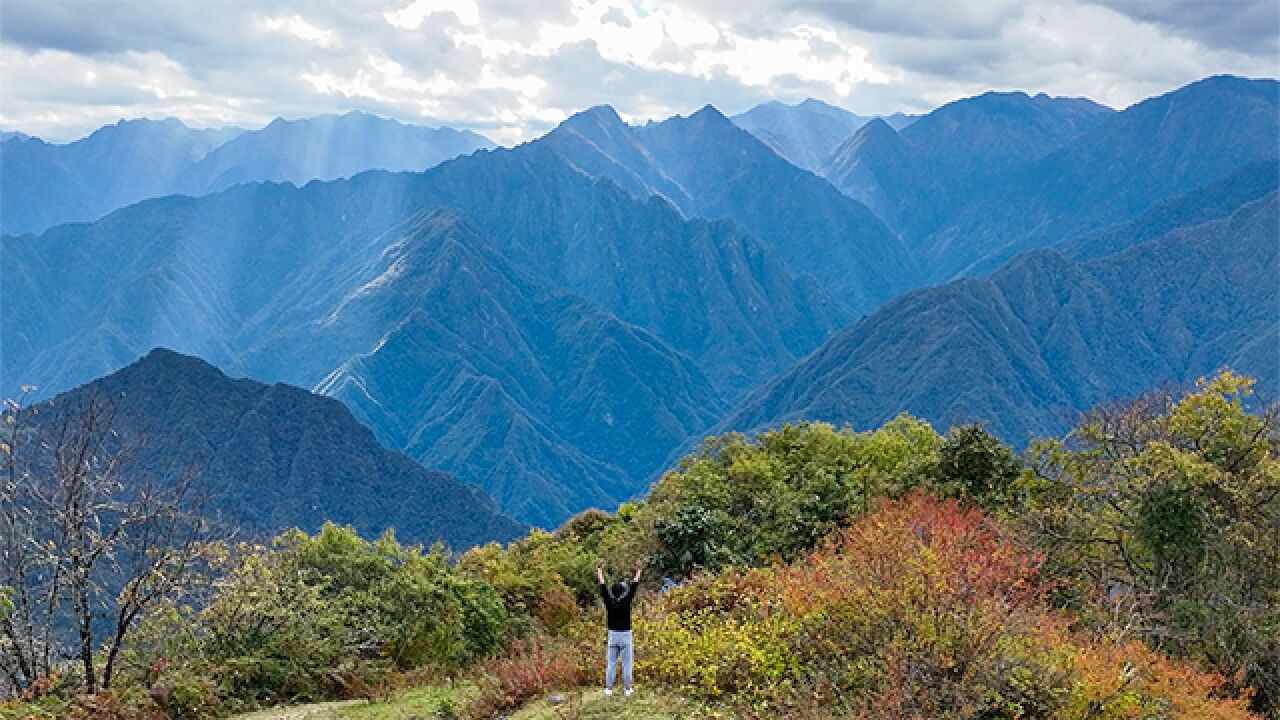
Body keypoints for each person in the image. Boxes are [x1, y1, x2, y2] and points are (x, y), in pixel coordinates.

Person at [597, 557, 642, 697]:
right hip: (625, 635)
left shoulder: (609, 601)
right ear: (623, 592)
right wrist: (639, 570)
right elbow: (634, 585)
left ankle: (608, 689)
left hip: (612, 635)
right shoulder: (626, 601)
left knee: (611, 663)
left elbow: (602, 585)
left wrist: (599, 570)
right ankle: (628, 689)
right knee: (627, 664)